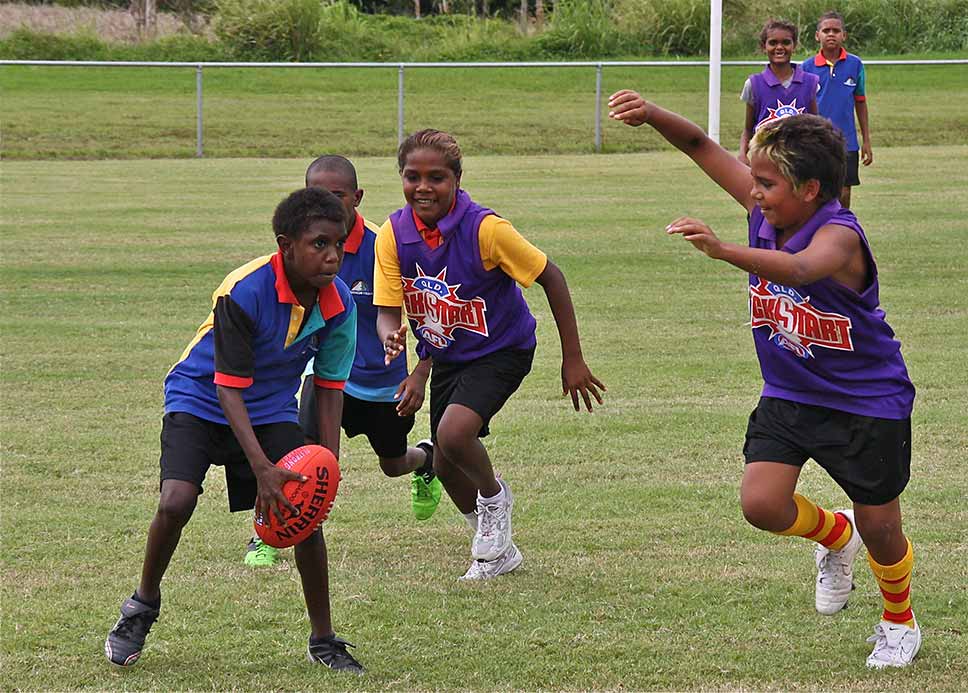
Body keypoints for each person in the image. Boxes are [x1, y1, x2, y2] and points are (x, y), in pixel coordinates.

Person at [608, 91, 920, 669]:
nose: (752, 191)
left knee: (882, 526)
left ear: (808, 190)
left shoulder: (839, 235)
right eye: (753, 179)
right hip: (790, 393)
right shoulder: (764, 208)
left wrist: (724, 251)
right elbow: (701, 145)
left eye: (766, 183)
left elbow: (801, 270)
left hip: (866, 401)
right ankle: (834, 536)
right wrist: (652, 115)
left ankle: (899, 621)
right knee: (761, 504)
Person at [105, 188, 365, 674]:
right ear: (286, 245)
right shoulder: (243, 290)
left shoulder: (339, 305)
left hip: (268, 410)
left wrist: (327, 465)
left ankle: (324, 639)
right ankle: (141, 606)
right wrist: (262, 468)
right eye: (319, 244)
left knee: (304, 508)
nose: (332, 256)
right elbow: (228, 389)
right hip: (201, 398)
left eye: (339, 245)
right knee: (176, 500)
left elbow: (329, 389)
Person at [373, 129, 605, 580]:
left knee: (455, 433)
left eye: (436, 177)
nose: (423, 187)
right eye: (412, 176)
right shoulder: (393, 235)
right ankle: (496, 550)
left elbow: (551, 278)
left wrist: (572, 358)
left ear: (457, 179)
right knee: (442, 461)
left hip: (503, 349)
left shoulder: (486, 229)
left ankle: (495, 499)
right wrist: (393, 339)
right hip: (449, 355)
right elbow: (389, 312)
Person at [243, 155, 441, 568]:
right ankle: (269, 531)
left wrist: (416, 366)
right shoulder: (301, 247)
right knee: (298, 454)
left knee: (392, 463)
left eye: (334, 197)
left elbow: (426, 311)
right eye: (314, 197)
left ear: (357, 197)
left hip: (384, 383)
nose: (323, 207)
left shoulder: (383, 246)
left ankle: (427, 459)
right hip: (327, 377)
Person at [802, 10, 873, 209]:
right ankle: (818, 233)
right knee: (816, 190)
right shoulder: (807, 67)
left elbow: (860, 101)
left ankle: (842, 229)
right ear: (818, 36)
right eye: (826, 30)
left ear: (844, 35)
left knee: (844, 191)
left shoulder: (855, 65)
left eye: (836, 30)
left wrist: (866, 140)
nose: (831, 34)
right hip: (816, 140)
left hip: (847, 141)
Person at [738, 19, 819, 166]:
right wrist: (743, 154)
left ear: (794, 46)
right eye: (773, 43)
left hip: (800, 161)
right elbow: (748, 129)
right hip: (765, 159)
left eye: (786, 42)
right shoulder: (753, 84)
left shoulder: (810, 83)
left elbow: (816, 125)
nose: (779, 47)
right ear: (764, 47)